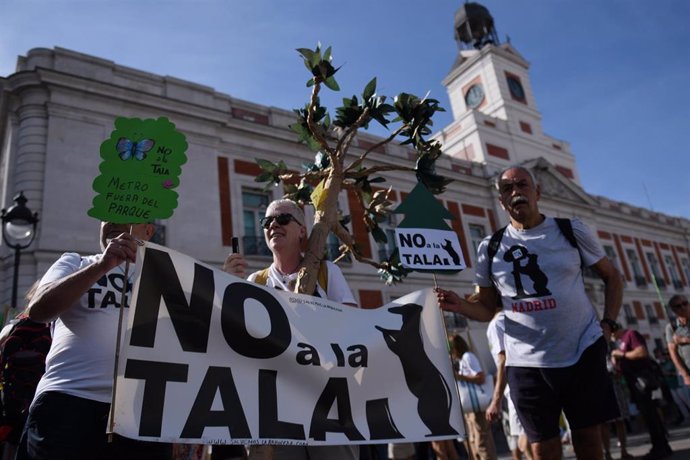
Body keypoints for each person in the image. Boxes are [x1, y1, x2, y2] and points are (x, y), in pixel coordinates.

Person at [436, 166, 623, 460]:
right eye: (507, 189)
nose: (515, 192)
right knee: (541, 447)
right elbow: (486, 308)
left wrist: (608, 324)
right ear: (501, 201)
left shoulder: (571, 231)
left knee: (588, 439)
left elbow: (613, 276)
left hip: (582, 350)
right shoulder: (490, 247)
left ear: (537, 192)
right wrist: (460, 305)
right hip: (525, 362)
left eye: (522, 185)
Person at [16, 222, 171, 460]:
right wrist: (102, 266)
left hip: (141, 414)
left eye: (126, 214)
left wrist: (229, 285)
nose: (114, 221)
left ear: (148, 231)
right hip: (67, 402)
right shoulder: (75, 262)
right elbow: (38, 311)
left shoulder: (167, 279)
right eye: (108, 213)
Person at [223, 198, 359, 460]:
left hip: (327, 405)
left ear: (302, 231)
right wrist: (227, 286)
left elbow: (351, 325)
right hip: (275, 408)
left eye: (283, 219)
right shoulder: (255, 282)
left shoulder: (327, 272)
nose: (274, 224)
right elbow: (235, 340)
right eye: (267, 221)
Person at [610, 322, 672, 459]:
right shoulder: (622, 341)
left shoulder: (631, 334)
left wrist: (621, 354)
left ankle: (660, 447)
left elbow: (641, 351)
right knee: (648, 416)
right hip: (635, 383)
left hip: (643, 381)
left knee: (651, 415)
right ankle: (662, 446)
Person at [485, 311, 532, 460]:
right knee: (535, 439)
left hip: (517, 387)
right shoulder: (516, 316)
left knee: (526, 442)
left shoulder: (496, 324)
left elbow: (503, 360)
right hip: (530, 382)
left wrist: (496, 400)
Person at [451, 334, 496, 460]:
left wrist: (461, 377)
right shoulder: (462, 360)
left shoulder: (468, 357)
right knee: (474, 441)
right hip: (471, 408)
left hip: (477, 407)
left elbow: (480, 377)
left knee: (482, 441)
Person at [666, 295, 690, 412]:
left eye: (685, 303)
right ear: (673, 310)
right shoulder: (671, 327)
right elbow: (673, 353)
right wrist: (685, 374)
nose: (683, 307)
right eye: (679, 306)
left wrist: (684, 340)